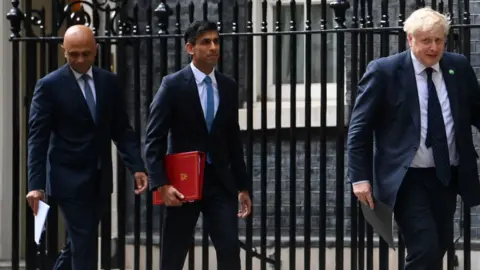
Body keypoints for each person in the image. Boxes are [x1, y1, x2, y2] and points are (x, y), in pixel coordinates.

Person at [347, 7, 480, 269]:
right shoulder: (384, 72)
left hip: (446, 175)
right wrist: (360, 178)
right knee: (425, 248)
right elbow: (359, 129)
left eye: (439, 40)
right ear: (410, 39)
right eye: (426, 41)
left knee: (439, 245)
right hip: (407, 179)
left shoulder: (458, 67)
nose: (433, 47)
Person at [26, 25, 148, 270]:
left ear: (96, 50)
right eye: (73, 54)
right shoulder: (49, 86)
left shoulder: (108, 82)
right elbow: (37, 138)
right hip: (67, 179)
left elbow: (121, 129)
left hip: (100, 178)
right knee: (85, 244)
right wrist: (36, 185)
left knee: (79, 242)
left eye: (85, 54)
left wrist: (137, 167)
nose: (79, 60)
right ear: (64, 51)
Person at [144, 20, 252, 270]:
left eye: (216, 41)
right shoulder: (172, 85)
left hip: (219, 182)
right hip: (183, 183)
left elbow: (233, 139)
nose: (214, 47)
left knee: (229, 249)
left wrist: (243, 187)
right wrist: (161, 184)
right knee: (174, 251)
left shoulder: (228, 86)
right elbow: (154, 138)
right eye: (206, 42)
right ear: (190, 48)